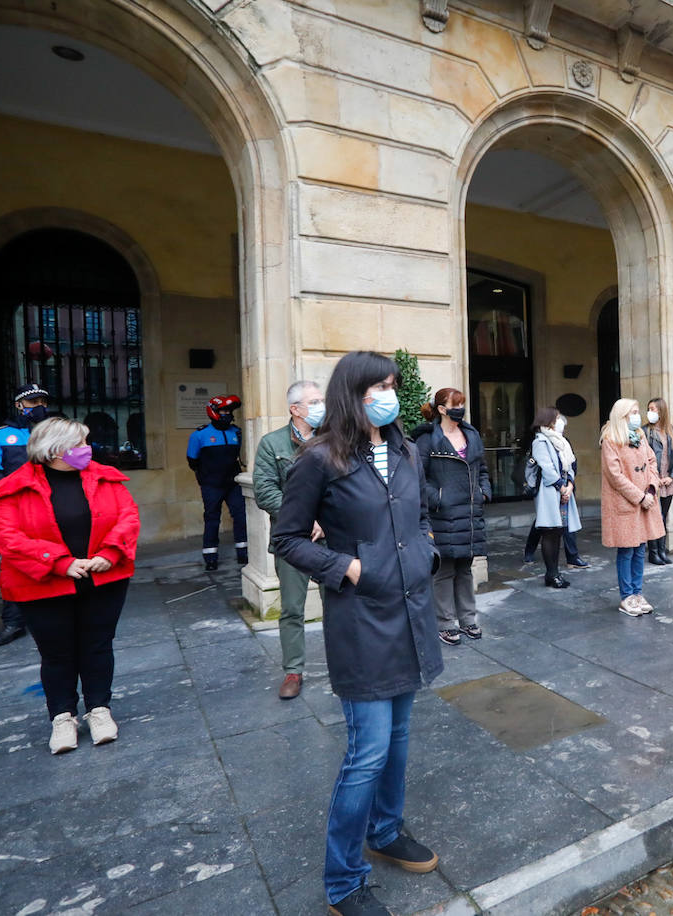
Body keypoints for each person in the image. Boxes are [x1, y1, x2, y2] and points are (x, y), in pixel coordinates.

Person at [271, 351, 443, 916]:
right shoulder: (319, 458)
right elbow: (288, 538)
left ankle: (386, 830)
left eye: (392, 386)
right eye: (376, 387)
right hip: (362, 619)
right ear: (351, 393)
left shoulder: (406, 449)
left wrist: (427, 553)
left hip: (412, 610)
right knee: (366, 752)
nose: (387, 395)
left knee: (397, 739)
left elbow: (416, 516)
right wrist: (347, 568)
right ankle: (343, 883)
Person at [0, 418, 140, 754]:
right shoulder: (15, 487)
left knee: (98, 646)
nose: (88, 450)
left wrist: (111, 552)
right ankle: (63, 717)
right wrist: (60, 562)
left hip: (103, 578)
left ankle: (99, 710)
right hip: (44, 585)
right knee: (57, 653)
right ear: (55, 451)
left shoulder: (105, 477)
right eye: (80, 445)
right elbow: (7, 537)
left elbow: (128, 516)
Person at [252, 380, 325, 700]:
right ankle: (293, 670)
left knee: (339, 605)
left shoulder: (332, 440)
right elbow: (265, 491)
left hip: (330, 539)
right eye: (315, 402)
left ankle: (345, 662)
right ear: (295, 409)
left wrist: (327, 521)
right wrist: (303, 519)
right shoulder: (272, 444)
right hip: (292, 540)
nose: (322, 407)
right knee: (292, 609)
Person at [414, 388, 491, 646]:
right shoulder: (427, 440)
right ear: (442, 409)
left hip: (469, 513)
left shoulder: (471, 434)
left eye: (462, 404)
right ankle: (445, 623)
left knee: (465, 569)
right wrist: (439, 498)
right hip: (443, 514)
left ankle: (468, 619)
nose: (460, 408)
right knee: (444, 570)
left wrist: (484, 492)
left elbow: (482, 468)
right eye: (455, 404)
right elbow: (417, 478)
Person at [0, 382, 52, 647]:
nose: (40, 408)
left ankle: (53, 614)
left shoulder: (51, 433)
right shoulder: (0, 436)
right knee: (13, 565)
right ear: (19, 405)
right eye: (34, 403)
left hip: (50, 505)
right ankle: (14, 622)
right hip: (16, 507)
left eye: (43, 403)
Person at [600, 398, 665, 615]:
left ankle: (637, 593)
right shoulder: (610, 439)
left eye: (638, 411)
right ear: (622, 415)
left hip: (644, 502)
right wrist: (639, 497)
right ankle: (626, 596)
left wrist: (652, 489)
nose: (638, 416)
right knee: (626, 550)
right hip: (626, 503)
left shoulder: (640, 435)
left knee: (640, 549)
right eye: (634, 412)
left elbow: (652, 462)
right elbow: (615, 476)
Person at [187, 394, 246, 570]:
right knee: (212, 518)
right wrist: (207, 476)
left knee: (241, 516)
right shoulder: (199, 435)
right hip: (211, 484)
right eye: (223, 410)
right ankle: (210, 557)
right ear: (213, 412)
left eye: (229, 410)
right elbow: (192, 461)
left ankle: (243, 552)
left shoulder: (236, 432)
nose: (227, 414)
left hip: (233, 483)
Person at [529, 407, 582, 589]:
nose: (561, 421)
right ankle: (551, 573)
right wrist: (562, 488)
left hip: (563, 490)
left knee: (559, 531)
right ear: (549, 421)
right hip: (550, 493)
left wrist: (570, 486)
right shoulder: (540, 441)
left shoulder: (562, 442)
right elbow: (547, 468)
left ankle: (555, 572)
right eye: (558, 418)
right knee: (550, 532)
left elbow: (571, 465)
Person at [645, 397, 673, 565]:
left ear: (661, 411)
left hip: (668, 481)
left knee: (663, 516)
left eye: (653, 409)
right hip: (653, 482)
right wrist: (655, 478)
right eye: (649, 409)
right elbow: (644, 458)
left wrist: (671, 477)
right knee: (655, 517)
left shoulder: (672, 431)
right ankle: (653, 553)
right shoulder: (645, 432)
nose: (650, 412)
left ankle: (662, 550)